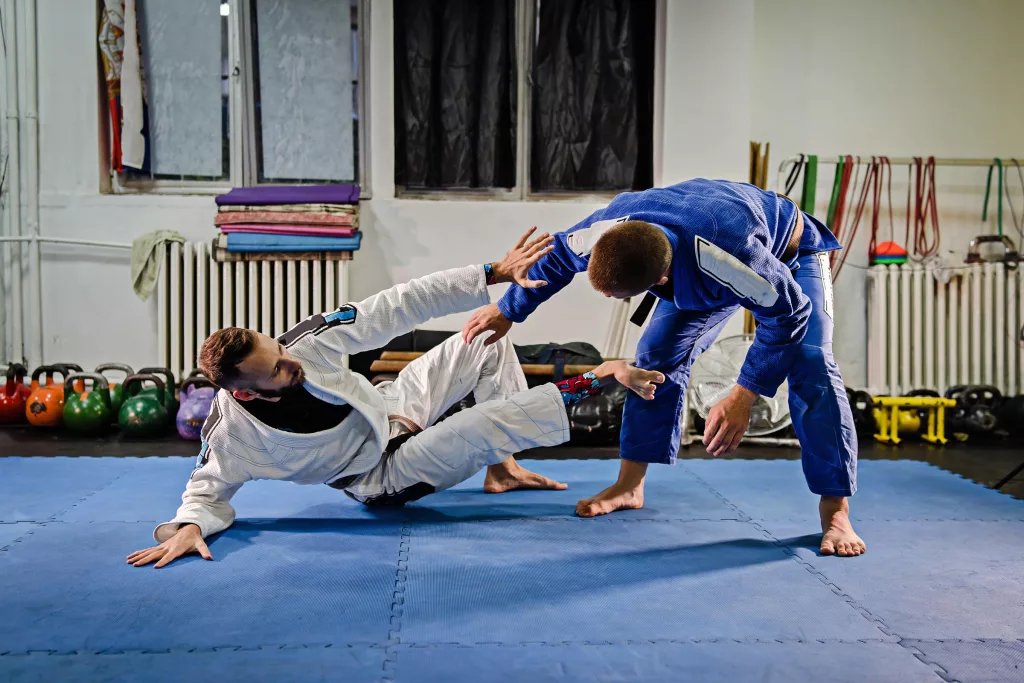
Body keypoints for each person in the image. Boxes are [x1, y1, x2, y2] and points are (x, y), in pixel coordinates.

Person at [128, 230, 663, 569]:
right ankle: (597, 378)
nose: (293, 361)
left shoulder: (304, 344)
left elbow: (396, 305)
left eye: (281, 349)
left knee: (485, 338)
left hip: (387, 409)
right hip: (376, 473)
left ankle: (504, 471)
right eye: (278, 370)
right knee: (481, 426)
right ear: (245, 391)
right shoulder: (232, 433)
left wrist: (493, 272)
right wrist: (189, 527)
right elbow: (205, 491)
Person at [462, 179, 865, 557]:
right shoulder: (605, 228)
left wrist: (744, 395)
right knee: (655, 357)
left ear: (661, 278)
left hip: (789, 255)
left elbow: (789, 314)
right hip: (697, 247)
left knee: (812, 362)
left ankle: (835, 511)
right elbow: (554, 260)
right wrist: (507, 311)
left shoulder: (728, 256)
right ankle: (628, 486)